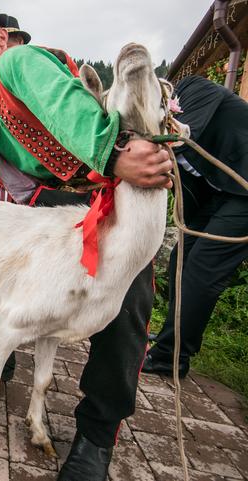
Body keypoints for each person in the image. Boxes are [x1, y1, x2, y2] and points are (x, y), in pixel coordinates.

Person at [0, 4, 172, 480]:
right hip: (43, 209)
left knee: (124, 309)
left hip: (100, 202)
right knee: (7, 280)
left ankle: (97, 435)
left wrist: (113, 153)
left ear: (4, 37)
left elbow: (62, 104)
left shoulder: (20, 62)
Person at [142, 75, 248, 378]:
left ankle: (170, 358)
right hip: (223, 193)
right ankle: (174, 337)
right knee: (181, 258)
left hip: (244, 189)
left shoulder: (193, 88)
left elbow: (183, 135)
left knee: (203, 266)